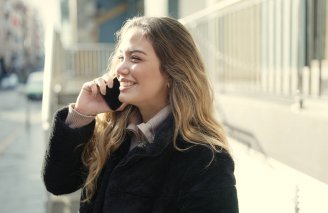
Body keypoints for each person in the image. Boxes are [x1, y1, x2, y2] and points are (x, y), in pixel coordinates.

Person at [43, 16, 238, 213]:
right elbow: (58, 184)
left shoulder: (205, 158)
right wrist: (82, 113)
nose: (120, 68)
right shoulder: (111, 134)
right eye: (121, 57)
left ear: (172, 71)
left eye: (135, 58)